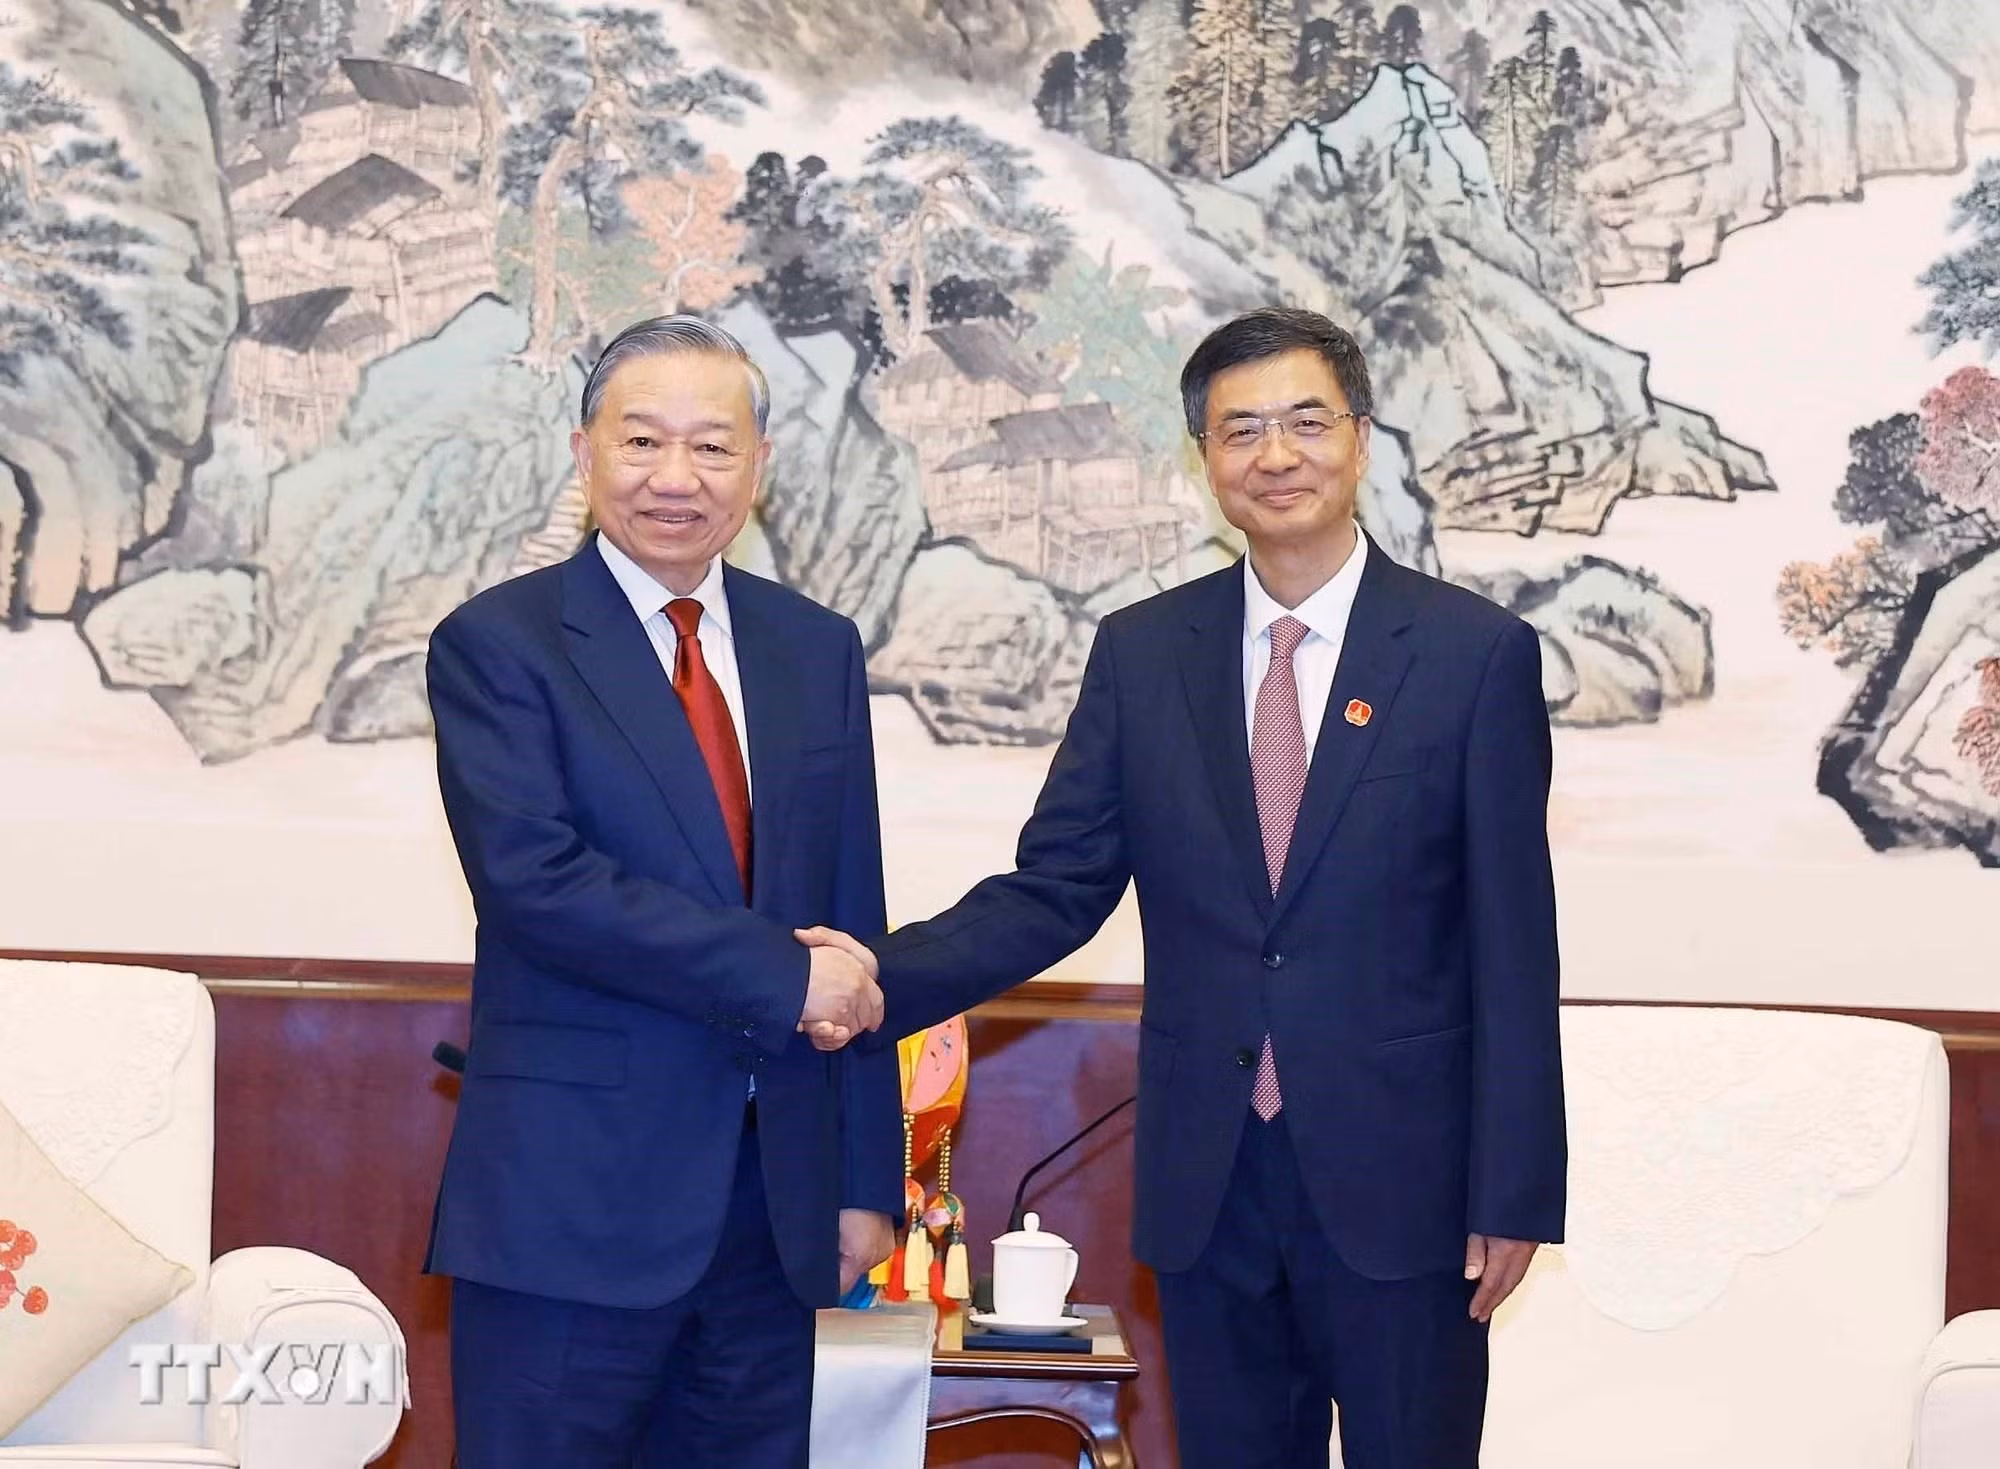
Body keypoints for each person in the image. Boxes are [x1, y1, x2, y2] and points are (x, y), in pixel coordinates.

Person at [801, 307, 1566, 1468]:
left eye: (1306, 422)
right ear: (1202, 455)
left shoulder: (1471, 653)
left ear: (1359, 438)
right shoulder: (1143, 652)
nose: (1275, 455)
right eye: (1240, 429)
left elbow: (1512, 941)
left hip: (1407, 1181)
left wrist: (1511, 1190)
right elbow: (1055, 885)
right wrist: (873, 975)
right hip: (1210, 1175)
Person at [424, 314, 901, 1469]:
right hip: (570, 1206)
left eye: (711, 446)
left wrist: (862, 1180)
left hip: (773, 1212)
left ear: (759, 465)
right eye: (641, 441)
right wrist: (784, 974)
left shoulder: (815, 648)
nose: (675, 477)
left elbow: (850, 910)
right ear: (583, 451)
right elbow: (537, 882)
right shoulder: (500, 644)